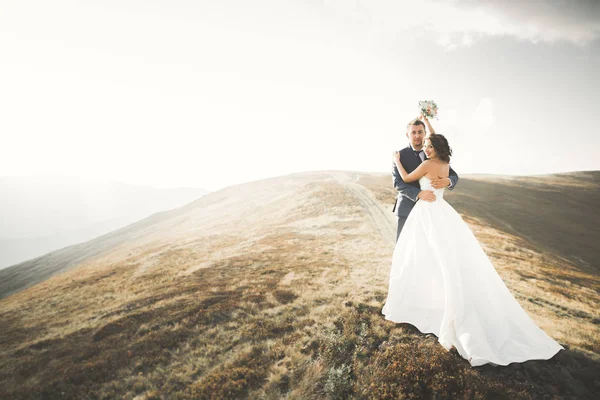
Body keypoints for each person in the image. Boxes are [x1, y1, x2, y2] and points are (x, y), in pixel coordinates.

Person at [381, 132, 564, 367]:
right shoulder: (443, 162)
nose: (424, 146)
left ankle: (433, 304)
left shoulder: (428, 162)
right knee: (424, 258)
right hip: (438, 211)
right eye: (421, 141)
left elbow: (407, 176)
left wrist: (398, 160)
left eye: (428, 143)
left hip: (428, 213)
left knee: (427, 259)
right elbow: (404, 182)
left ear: (435, 146)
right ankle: (424, 300)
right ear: (410, 134)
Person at [392, 116, 459, 242]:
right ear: (407, 135)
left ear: (425, 133)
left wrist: (448, 181)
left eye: (420, 132)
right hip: (407, 210)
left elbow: (454, 175)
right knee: (405, 250)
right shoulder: (400, 155)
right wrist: (418, 194)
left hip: (432, 213)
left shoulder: (433, 152)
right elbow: (398, 183)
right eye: (413, 132)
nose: (417, 136)